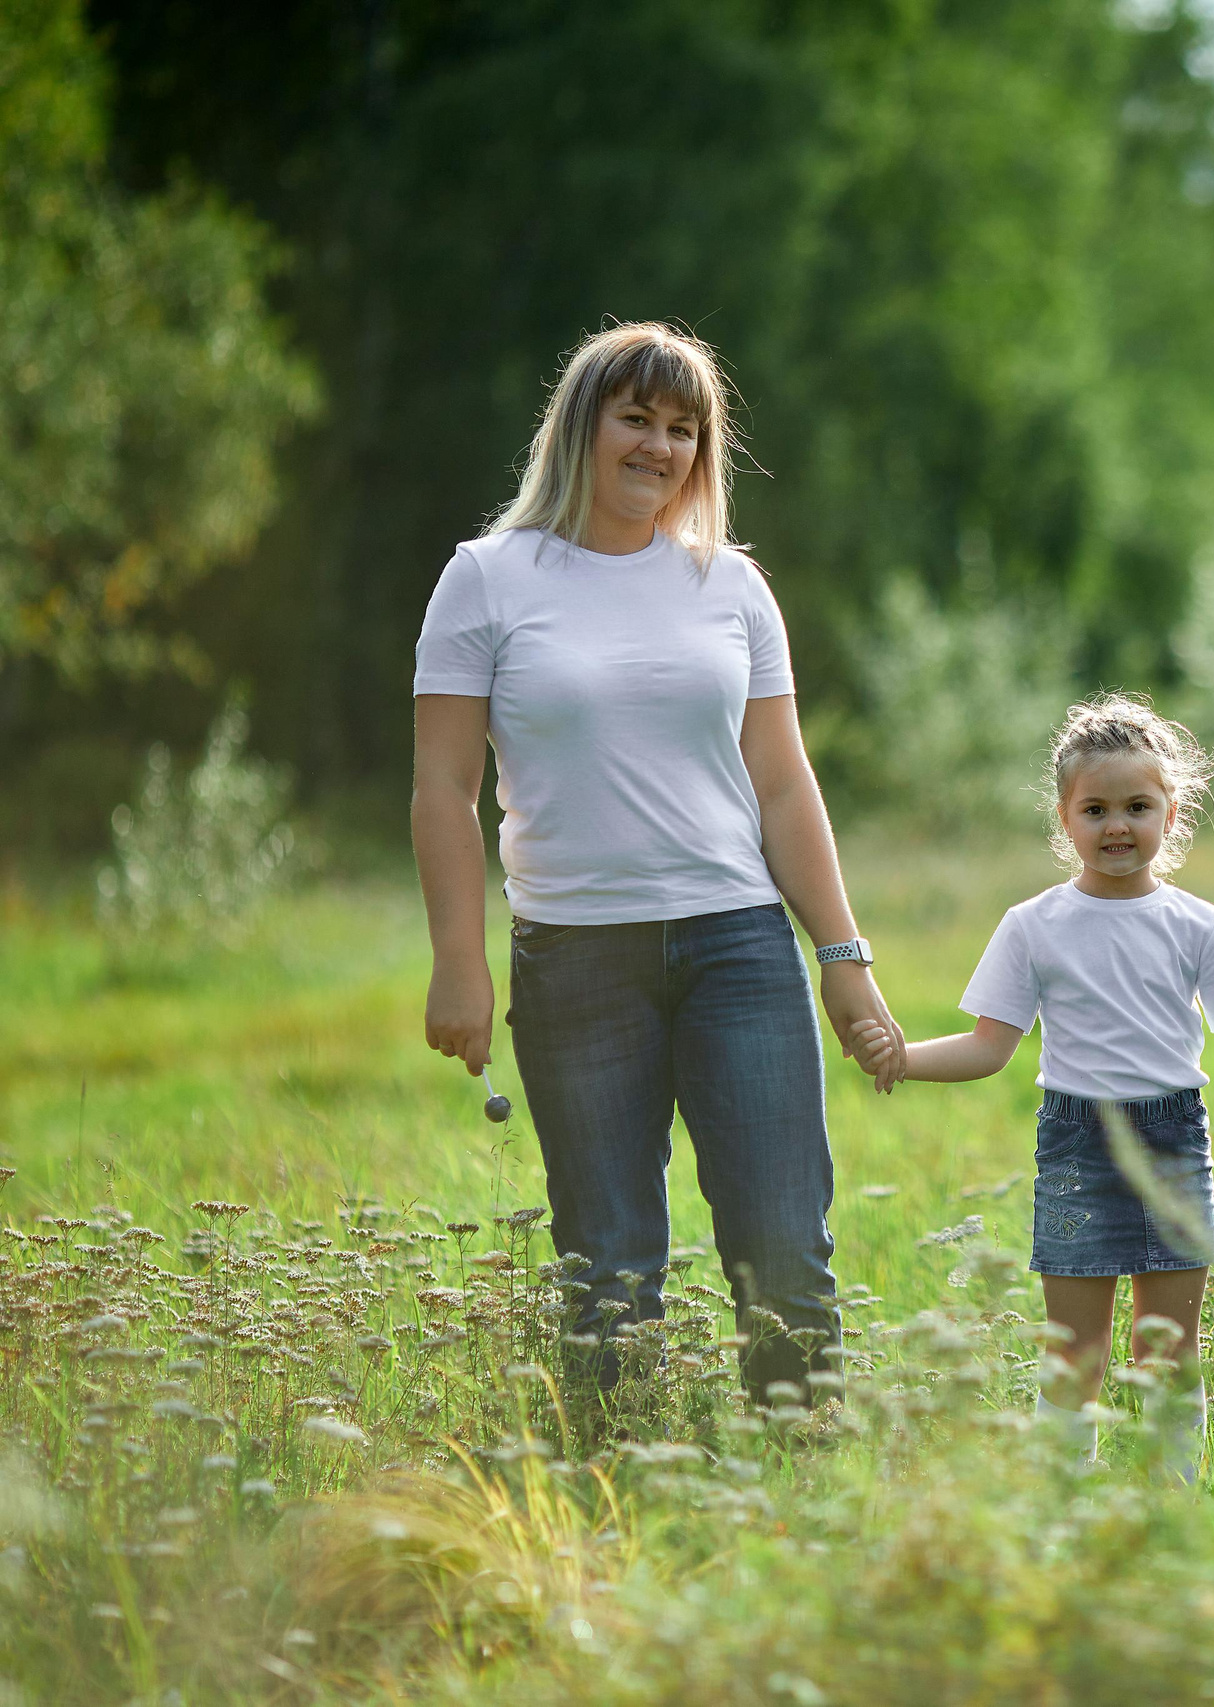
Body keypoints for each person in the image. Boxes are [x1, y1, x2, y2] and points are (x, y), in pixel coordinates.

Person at [412, 321, 903, 1401]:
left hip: (739, 946)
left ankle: (798, 1469)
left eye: (684, 428)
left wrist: (843, 952)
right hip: (575, 960)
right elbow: (442, 788)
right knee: (607, 1257)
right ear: (580, 426)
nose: (659, 446)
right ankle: (615, 1478)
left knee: (781, 1247)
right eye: (636, 417)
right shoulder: (486, 581)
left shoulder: (728, 587)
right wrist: (460, 958)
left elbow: (783, 784)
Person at [854, 694, 1214, 1480]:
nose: (1117, 826)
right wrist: (904, 1056)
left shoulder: (1197, 923)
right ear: (1064, 819)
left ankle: (1170, 1503)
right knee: (1078, 1353)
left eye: (1137, 806)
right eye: (1095, 808)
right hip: (1078, 1143)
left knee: (1166, 1348)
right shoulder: (1033, 924)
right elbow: (989, 1045)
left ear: (1172, 812)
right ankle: (1066, 1504)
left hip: (1173, 1141)